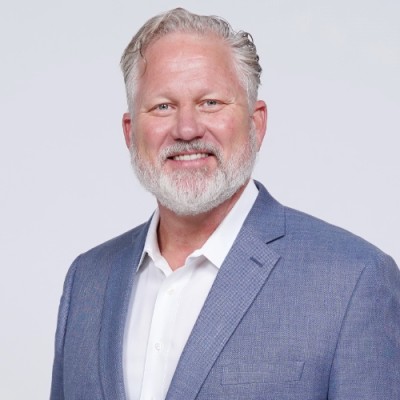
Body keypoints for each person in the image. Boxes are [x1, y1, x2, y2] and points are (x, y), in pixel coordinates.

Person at [50, 8, 400, 400]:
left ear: (256, 123)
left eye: (211, 102)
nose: (186, 129)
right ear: (131, 133)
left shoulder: (353, 279)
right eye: (163, 106)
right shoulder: (87, 280)